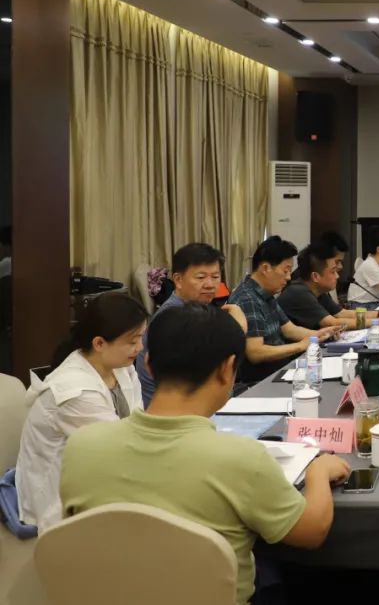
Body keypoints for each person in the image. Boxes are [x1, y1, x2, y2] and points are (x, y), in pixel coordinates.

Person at [61, 304, 351, 605]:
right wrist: (319, 471)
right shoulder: (241, 458)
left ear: (148, 364)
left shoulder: (81, 447)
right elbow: (312, 531)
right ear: (227, 369)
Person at [15, 293, 148, 530]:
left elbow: (139, 424)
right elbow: (119, 448)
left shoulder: (120, 366)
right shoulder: (76, 391)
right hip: (63, 499)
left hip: (103, 473)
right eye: (132, 341)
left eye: (140, 339)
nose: (139, 348)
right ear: (99, 343)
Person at [135, 242, 248, 406]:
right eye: (201, 277)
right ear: (178, 280)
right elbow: (213, 372)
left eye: (215, 277)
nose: (210, 284)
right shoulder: (174, 317)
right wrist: (238, 329)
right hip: (173, 410)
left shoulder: (197, 310)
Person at [227, 236, 338, 386]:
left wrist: (320, 334)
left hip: (280, 371)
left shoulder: (266, 294)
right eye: (286, 271)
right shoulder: (247, 299)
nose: (288, 277)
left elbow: (289, 330)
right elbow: (255, 353)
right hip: (259, 382)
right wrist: (300, 346)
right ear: (265, 268)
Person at [279, 242, 379, 331]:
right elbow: (333, 323)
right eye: (333, 271)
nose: (337, 276)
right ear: (315, 276)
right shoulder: (298, 292)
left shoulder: (317, 290)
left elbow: (342, 313)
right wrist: (377, 322)